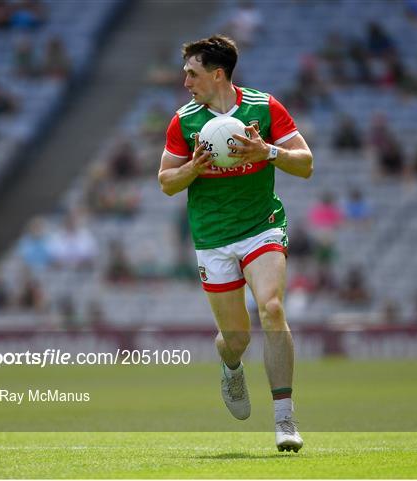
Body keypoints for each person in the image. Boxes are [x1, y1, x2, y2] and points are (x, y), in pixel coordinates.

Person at [158, 35, 313, 452]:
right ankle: (230, 365)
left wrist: (268, 152)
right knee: (237, 338)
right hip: (213, 237)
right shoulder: (183, 121)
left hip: (261, 226)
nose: (185, 80)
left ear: (217, 73)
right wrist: (193, 167)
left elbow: (306, 163)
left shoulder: (264, 107)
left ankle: (285, 419)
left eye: (192, 72)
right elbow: (166, 182)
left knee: (273, 308)